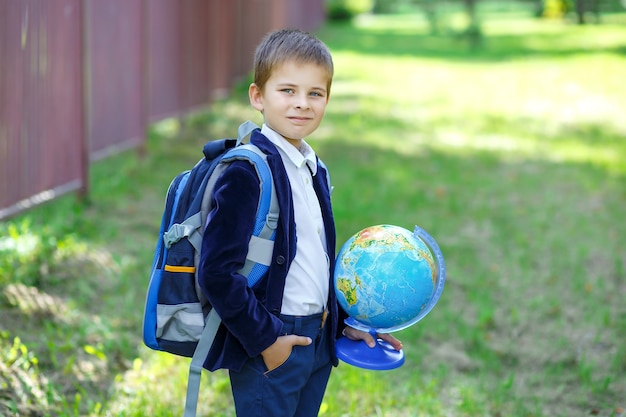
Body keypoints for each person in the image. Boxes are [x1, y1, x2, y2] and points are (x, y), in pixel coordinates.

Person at [198, 28, 402, 417]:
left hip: (318, 337)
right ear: (258, 96)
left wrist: (343, 324)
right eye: (287, 91)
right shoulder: (247, 172)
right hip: (270, 338)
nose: (302, 104)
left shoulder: (313, 167)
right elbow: (216, 274)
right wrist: (265, 340)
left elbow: (314, 262)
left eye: (315, 94)